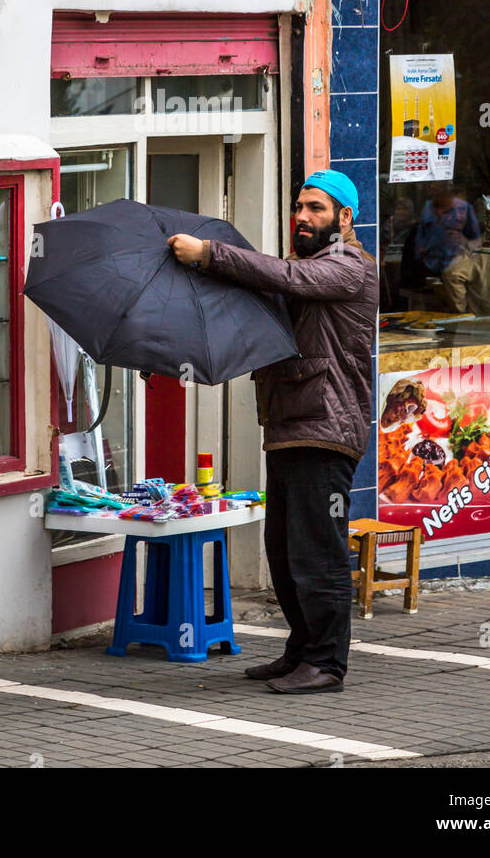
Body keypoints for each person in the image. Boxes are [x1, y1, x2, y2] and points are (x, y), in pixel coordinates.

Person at [168, 169, 378, 695]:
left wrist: (210, 254)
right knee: (284, 552)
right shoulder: (307, 268)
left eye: (316, 209)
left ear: (344, 218)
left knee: (318, 553)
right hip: (291, 426)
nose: (302, 217)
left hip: (326, 429)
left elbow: (284, 277)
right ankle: (302, 649)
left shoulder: (350, 267)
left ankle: (328, 663)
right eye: (299, 208)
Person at [413, 181, 481, 312]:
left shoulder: (464, 208)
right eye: (430, 189)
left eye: (435, 190)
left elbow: (476, 241)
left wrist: (463, 242)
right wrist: (419, 255)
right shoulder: (427, 207)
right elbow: (420, 235)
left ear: (446, 190)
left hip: (455, 269)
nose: (431, 193)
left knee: (456, 309)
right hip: (430, 269)